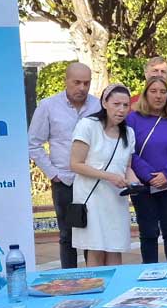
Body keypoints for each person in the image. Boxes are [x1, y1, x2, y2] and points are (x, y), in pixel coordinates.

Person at [27, 62, 100, 269]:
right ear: (66, 81)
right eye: (77, 82)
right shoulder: (48, 106)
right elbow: (33, 144)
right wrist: (53, 174)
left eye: (86, 83)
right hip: (64, 181)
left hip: (91, 180)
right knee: (67, 236)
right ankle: (69, 280)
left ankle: (93, 279)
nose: (82, 88)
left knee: (91, 235)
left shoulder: (98, 106)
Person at [71, 84, 138, 267]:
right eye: (116, 104)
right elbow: (76, 164)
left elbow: (127, 167)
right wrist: (109, 176)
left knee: (115, 247)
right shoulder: (88, 125)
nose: (121, 109)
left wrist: (134, 182)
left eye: (126, 105)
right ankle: (97, 290)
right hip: (91, 197)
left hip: (116, 198)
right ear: (104, 103)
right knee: (96, 248)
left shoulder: (129, 133)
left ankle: (114, 290)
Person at [127, 76, 167, 264]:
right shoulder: (133, 119)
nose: (158, 96)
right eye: (153, 91)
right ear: (145, 94)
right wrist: (148, 175)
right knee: (148, 232)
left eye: (163, 92)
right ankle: (149, 270)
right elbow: (129, 151)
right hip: (144, 186)